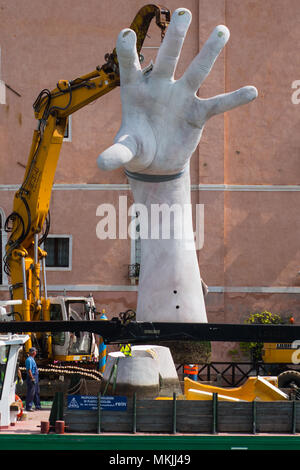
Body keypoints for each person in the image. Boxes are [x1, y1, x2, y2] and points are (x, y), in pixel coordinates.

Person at [25, 347, 41, 411]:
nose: (36, 352)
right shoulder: (29, 360)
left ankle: (37, 406)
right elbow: (29, 370)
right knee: (31, 393)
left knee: (36, 392)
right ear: (33, 352)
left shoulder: (32, 359)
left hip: (35, 376)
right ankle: (28, 407)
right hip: (32, 377)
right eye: (35, 351)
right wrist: (32, 378)